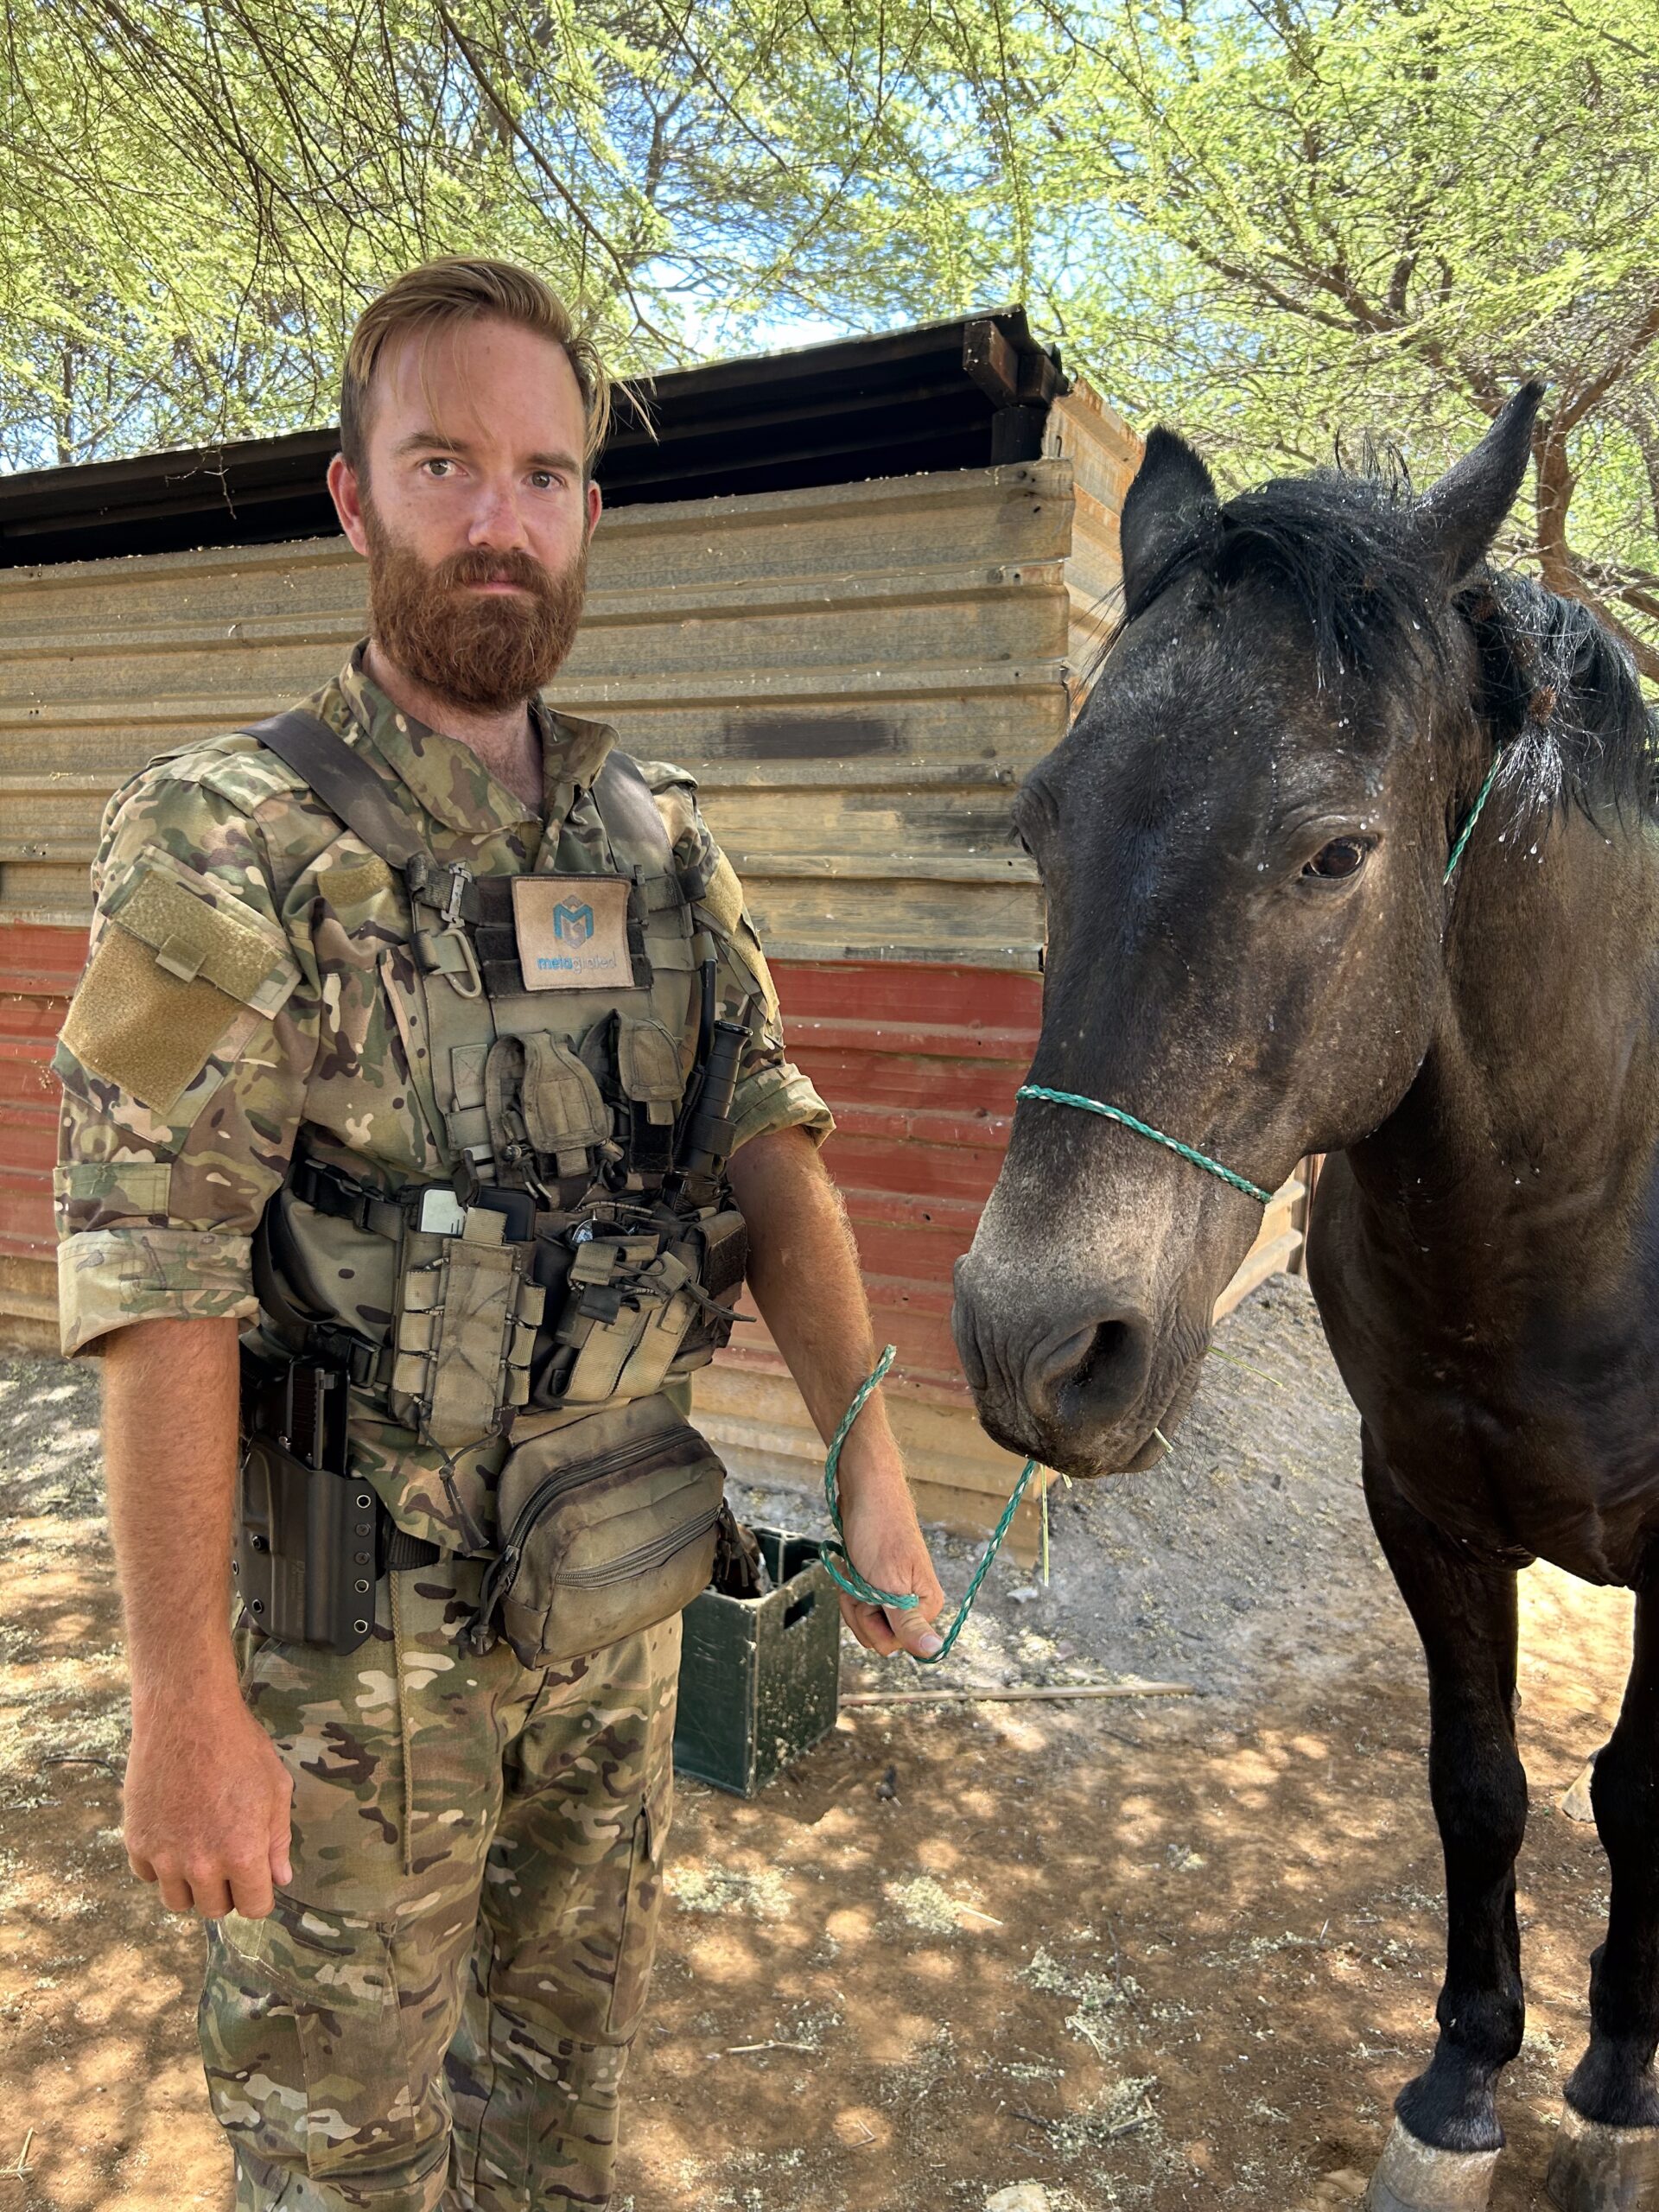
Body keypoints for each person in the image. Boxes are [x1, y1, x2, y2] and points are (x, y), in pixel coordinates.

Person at [53, 257, 946, 2212]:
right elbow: (155, 1275)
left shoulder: (656, 841)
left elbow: (769, 1137)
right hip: (348, 1647)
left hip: (606, 1582)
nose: (497, 519)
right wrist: (183, 1699)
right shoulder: (227, 838)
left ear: (588, 516)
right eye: (444, 462)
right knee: (345, 2148)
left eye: (542, 475)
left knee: (562, 2100)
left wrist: (870, 1458)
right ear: (354, 496)